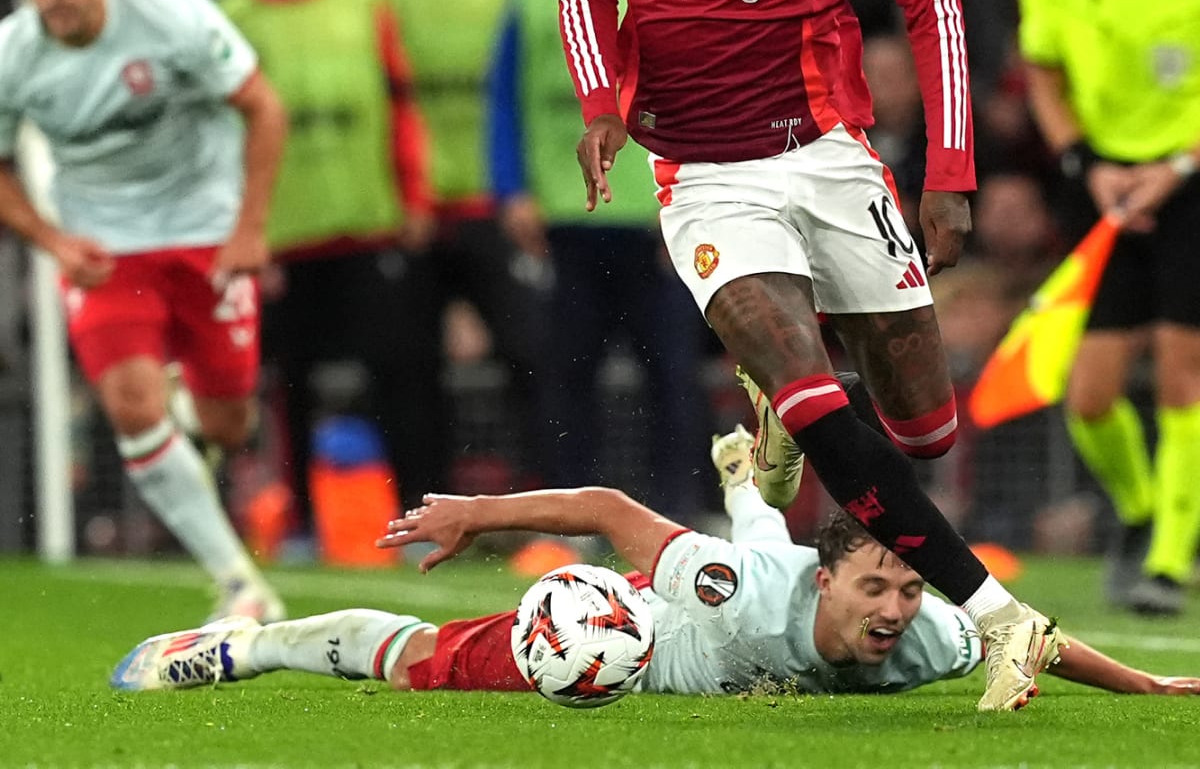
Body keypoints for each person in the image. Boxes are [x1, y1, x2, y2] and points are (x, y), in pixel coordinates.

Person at [553, 0, 1060, 712]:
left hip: (829, 157)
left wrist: (951, 168)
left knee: (922, 423)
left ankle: (791, 425)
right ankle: (998, 615)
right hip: (703, 176)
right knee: (814, 389)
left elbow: (931, 0)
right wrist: (602, 105)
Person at [110, 428, 1200, 699]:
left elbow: (1032, 637)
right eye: (880, 584)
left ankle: (743, 468)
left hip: (759, 583)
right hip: (633, 631)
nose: (898, 604)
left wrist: (1140, 683)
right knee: (402, 659)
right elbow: (604, 506)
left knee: (763, 539)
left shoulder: (925, 637)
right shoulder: (735, 591)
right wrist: (474, 514)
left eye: (909, 586)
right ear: (838, 583)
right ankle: (241, 646)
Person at [0, 0, 288, 620]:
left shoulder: (172, 12)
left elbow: (264, 107)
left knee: (229, 425)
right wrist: (55, 241)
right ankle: (237, 582)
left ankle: (194, 410)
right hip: (104, 248)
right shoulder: (10, 55)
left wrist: (251, 228)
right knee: (130, 407)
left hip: (205, 231)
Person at [217, 0, 436, 537]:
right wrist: (243, 229)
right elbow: (222, 135)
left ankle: (419, 520)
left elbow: (400, 103)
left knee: (399, 375)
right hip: (285, 235)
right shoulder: (233, 14)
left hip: (367, 226)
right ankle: (304, 526)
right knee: (291, 388)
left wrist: (414, 195)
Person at [1019, 0, 1200, 616]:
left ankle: (1167, 559)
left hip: (1190, 179)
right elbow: (1044, 73)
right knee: (1089, 394)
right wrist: (1086, 165)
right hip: (1101, 186)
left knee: (1179, 368)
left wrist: (1173, 167)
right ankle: (1139, 510)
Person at [358, 0, 550, 493]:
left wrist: (526, 186)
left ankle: (544, 507)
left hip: (496, 204)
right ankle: (422, 511)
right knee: (405, 368)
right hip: (408, 211)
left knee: (531, 355)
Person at [488, 0, 710, 517]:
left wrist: (694, 197)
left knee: (673, 375)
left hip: (654, 220)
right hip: (565, 222)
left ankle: (677, 515)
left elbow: (705, 92)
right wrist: (511, 187)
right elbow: (506, 98)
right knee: (565, 376)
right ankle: (571, 517)